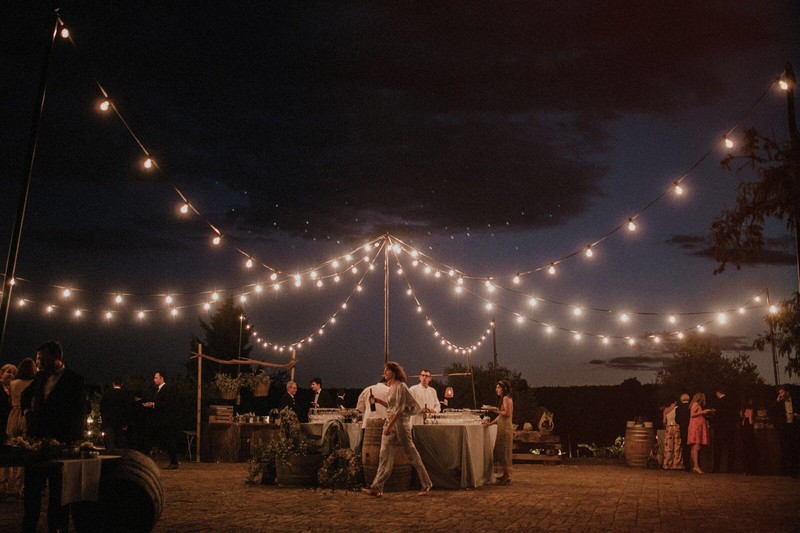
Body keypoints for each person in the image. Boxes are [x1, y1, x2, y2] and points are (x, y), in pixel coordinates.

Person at [21, 341, 87, 533]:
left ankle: (57, 528)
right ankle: (28, 528)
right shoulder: (40, 377)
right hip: (37, 444)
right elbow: (26, 395)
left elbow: (80, 411)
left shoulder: (74, 379)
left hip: (61, 445)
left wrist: (71, 440)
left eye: (41, 358)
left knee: (59, 494)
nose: (37, 362)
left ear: (55, 358)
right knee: (32, 492)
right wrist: (27, 412)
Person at [361, 361, 432, 497]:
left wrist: (390, 426)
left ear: (394, 372)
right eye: (385, 370)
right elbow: (391, 407)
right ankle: (377, 487)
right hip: (390, 421)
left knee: (412, 454)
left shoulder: (401, 386)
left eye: (387, 370)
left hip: (400, 424)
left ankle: (426, 483)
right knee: (384, 456)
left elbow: (399, 409)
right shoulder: (391, 387)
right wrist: (378, 401)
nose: (384, 373)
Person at [5, 358, 36, 500]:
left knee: (9, 449)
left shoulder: (13, 384)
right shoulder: (33, 383)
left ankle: (5, 483)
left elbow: (10, 401)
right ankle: (19, 486)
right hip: (26, 415)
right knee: (24, 450)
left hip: (13, 414)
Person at [143, 371, 180, 469]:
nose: (154, 379)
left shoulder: (166, 389)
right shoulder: (160, 390)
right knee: (158, 439)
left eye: (156, 377)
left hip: (165, 420)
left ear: (161, 378)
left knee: (167, 440)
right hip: (161, 420)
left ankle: (174, 462)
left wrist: (153, 404)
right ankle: (173, 461)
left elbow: (167, 403)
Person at [484, 380, 514, 485]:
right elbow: (501, 415)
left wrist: (493, 410)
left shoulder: (506, 398)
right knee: (501, 451)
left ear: (504, 389)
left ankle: (507, 476)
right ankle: (505, 474)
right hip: (502, 426)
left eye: (498, 387)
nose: (496, 389)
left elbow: (507, 413)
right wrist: (491, 423)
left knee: (503, 451)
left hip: (505, 428)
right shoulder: (505, 398)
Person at [768, 386, 799, 477]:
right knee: (785, 448)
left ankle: (795, 470)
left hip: (794, 426)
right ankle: (785, 470)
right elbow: (770, 411)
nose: (781, 394)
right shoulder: (779, 403)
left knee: (795, 448)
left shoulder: (795, 401)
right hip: (784, 427)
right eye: (780, 393)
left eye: (782, 392)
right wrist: (777, 401)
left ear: (788, 392)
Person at [0, 363, 17, 500]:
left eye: (13, 374)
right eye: (8, 372)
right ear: (2, 373)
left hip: (7, 423)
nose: (11, 375)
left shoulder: (11, 389)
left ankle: (4, 486)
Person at [711, 386, 737, 473]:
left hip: (720, 428)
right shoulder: (731, 402)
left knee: (718, 448)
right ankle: (730, 468)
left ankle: (716, 468)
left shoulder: (719, 402)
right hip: (730, 428)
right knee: (730, 448)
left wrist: (713, 415)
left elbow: (718, 415)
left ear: (718, 393)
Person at [686, 392, 713, 474]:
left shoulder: (696, 405)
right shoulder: (696, 404)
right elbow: (692, 414)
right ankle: (696, 465)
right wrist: (703, 412)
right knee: (696, 445)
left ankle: (695, 465)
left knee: (696, 446)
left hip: (698, 426)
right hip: (696, 427)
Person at [100, 377, 128, 450]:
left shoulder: (107, 394)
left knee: (109, 441)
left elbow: (102, 408)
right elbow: (127, 409)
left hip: (108, 421)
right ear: (121, 384)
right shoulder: (125, 394)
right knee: (119, 441)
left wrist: (104, 420)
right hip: (120, 422)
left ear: (113, 383)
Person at [661, 397, 684, 470]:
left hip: (668, 427)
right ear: (675, 402)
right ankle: (676, 464)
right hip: (676, 427)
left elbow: (664, 421)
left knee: (668, 445)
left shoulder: (665, 410)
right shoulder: (677, 408)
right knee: (677, 445)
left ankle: (667, 464)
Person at [740, 396, 757, 475]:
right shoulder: (750, 410)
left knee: (745, 450)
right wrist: (755, 420)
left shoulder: (742, 411)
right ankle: (750, 470)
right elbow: (750, 422)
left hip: (744, 432)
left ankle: (745, 470)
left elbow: (743, 422)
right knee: (751, 450)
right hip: (749, 432)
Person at [675, 393, 691, 471]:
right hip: (691, 427)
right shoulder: (690, 407)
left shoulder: (678, 409)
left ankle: (686, 465)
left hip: (683, 428)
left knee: (684, 446)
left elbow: (676, 420)